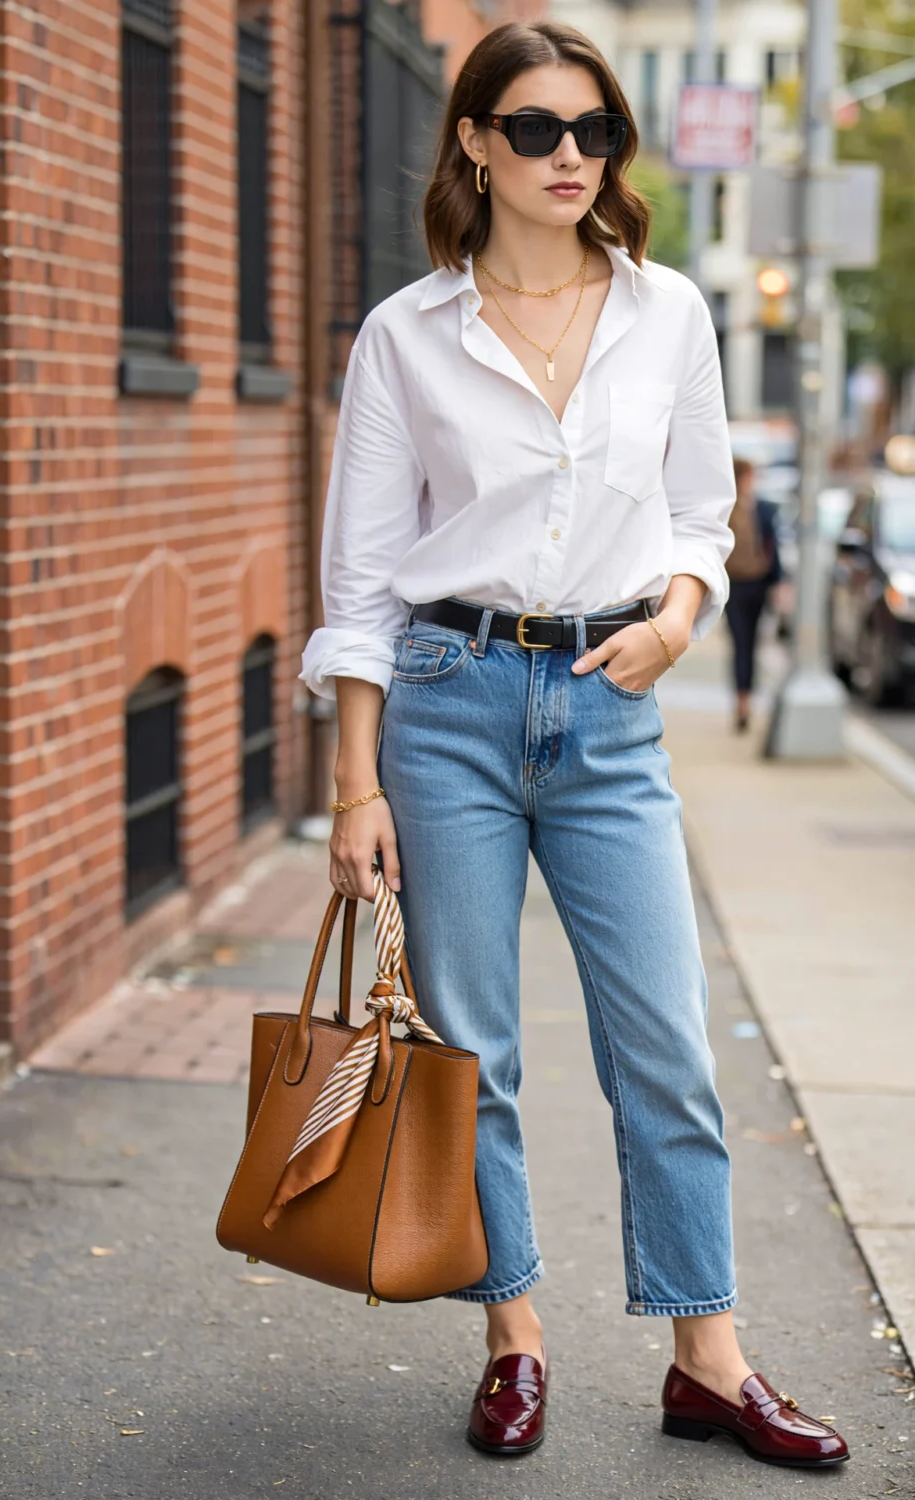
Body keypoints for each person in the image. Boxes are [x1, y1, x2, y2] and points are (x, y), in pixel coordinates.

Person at [301, 20, 849, 1470]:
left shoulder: (668, 312)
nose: (569, 158)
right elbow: (361, 582)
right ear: (473, 140)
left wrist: (676, 619)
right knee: (473, 1049)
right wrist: (354, 784)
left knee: (665, 1042)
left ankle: (708, 1360)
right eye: (537, 129)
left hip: (612, 702)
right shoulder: (407, 333)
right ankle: (514, 1337)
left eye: (594, 131)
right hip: (449, 701)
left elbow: (697, 516)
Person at [724, 457, 783, 732]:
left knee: (753, 645)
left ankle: (747, 698)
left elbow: (774, 547)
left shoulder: (764, 508)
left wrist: (779, 582)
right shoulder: (725, 506)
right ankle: (741, 701)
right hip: (734, 585)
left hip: (758, 584)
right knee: (740, 643)